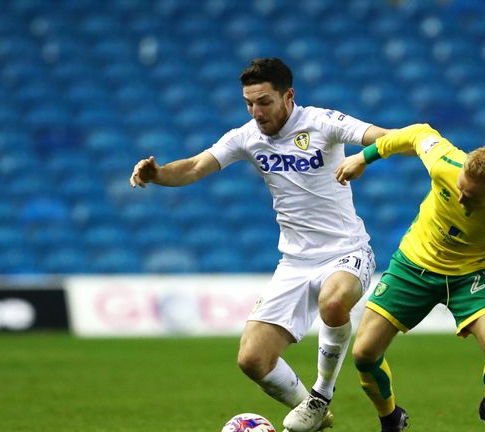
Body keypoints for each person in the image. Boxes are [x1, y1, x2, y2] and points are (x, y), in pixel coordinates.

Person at [129, 58, 389, 432]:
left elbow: (387, 137)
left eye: (264, 101)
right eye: (248, 103)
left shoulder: (321, 122)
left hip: (346, 251)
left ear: (289, 96)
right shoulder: (247, 136)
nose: (256, 111)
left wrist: (364, 157)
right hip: (294, 263)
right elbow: (196, 166)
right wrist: (158, 174)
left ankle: (321, 394)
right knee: (253, 358)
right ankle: (315, 414)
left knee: (333, 302)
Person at [335, 123, 485, 432]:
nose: (461, 198)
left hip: (470, 276)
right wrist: (364, 157)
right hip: (413, 266)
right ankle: (390, 419)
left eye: (472, 197)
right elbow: (417, 133)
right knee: (364, 354)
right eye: (460, 187)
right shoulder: (445, 162)